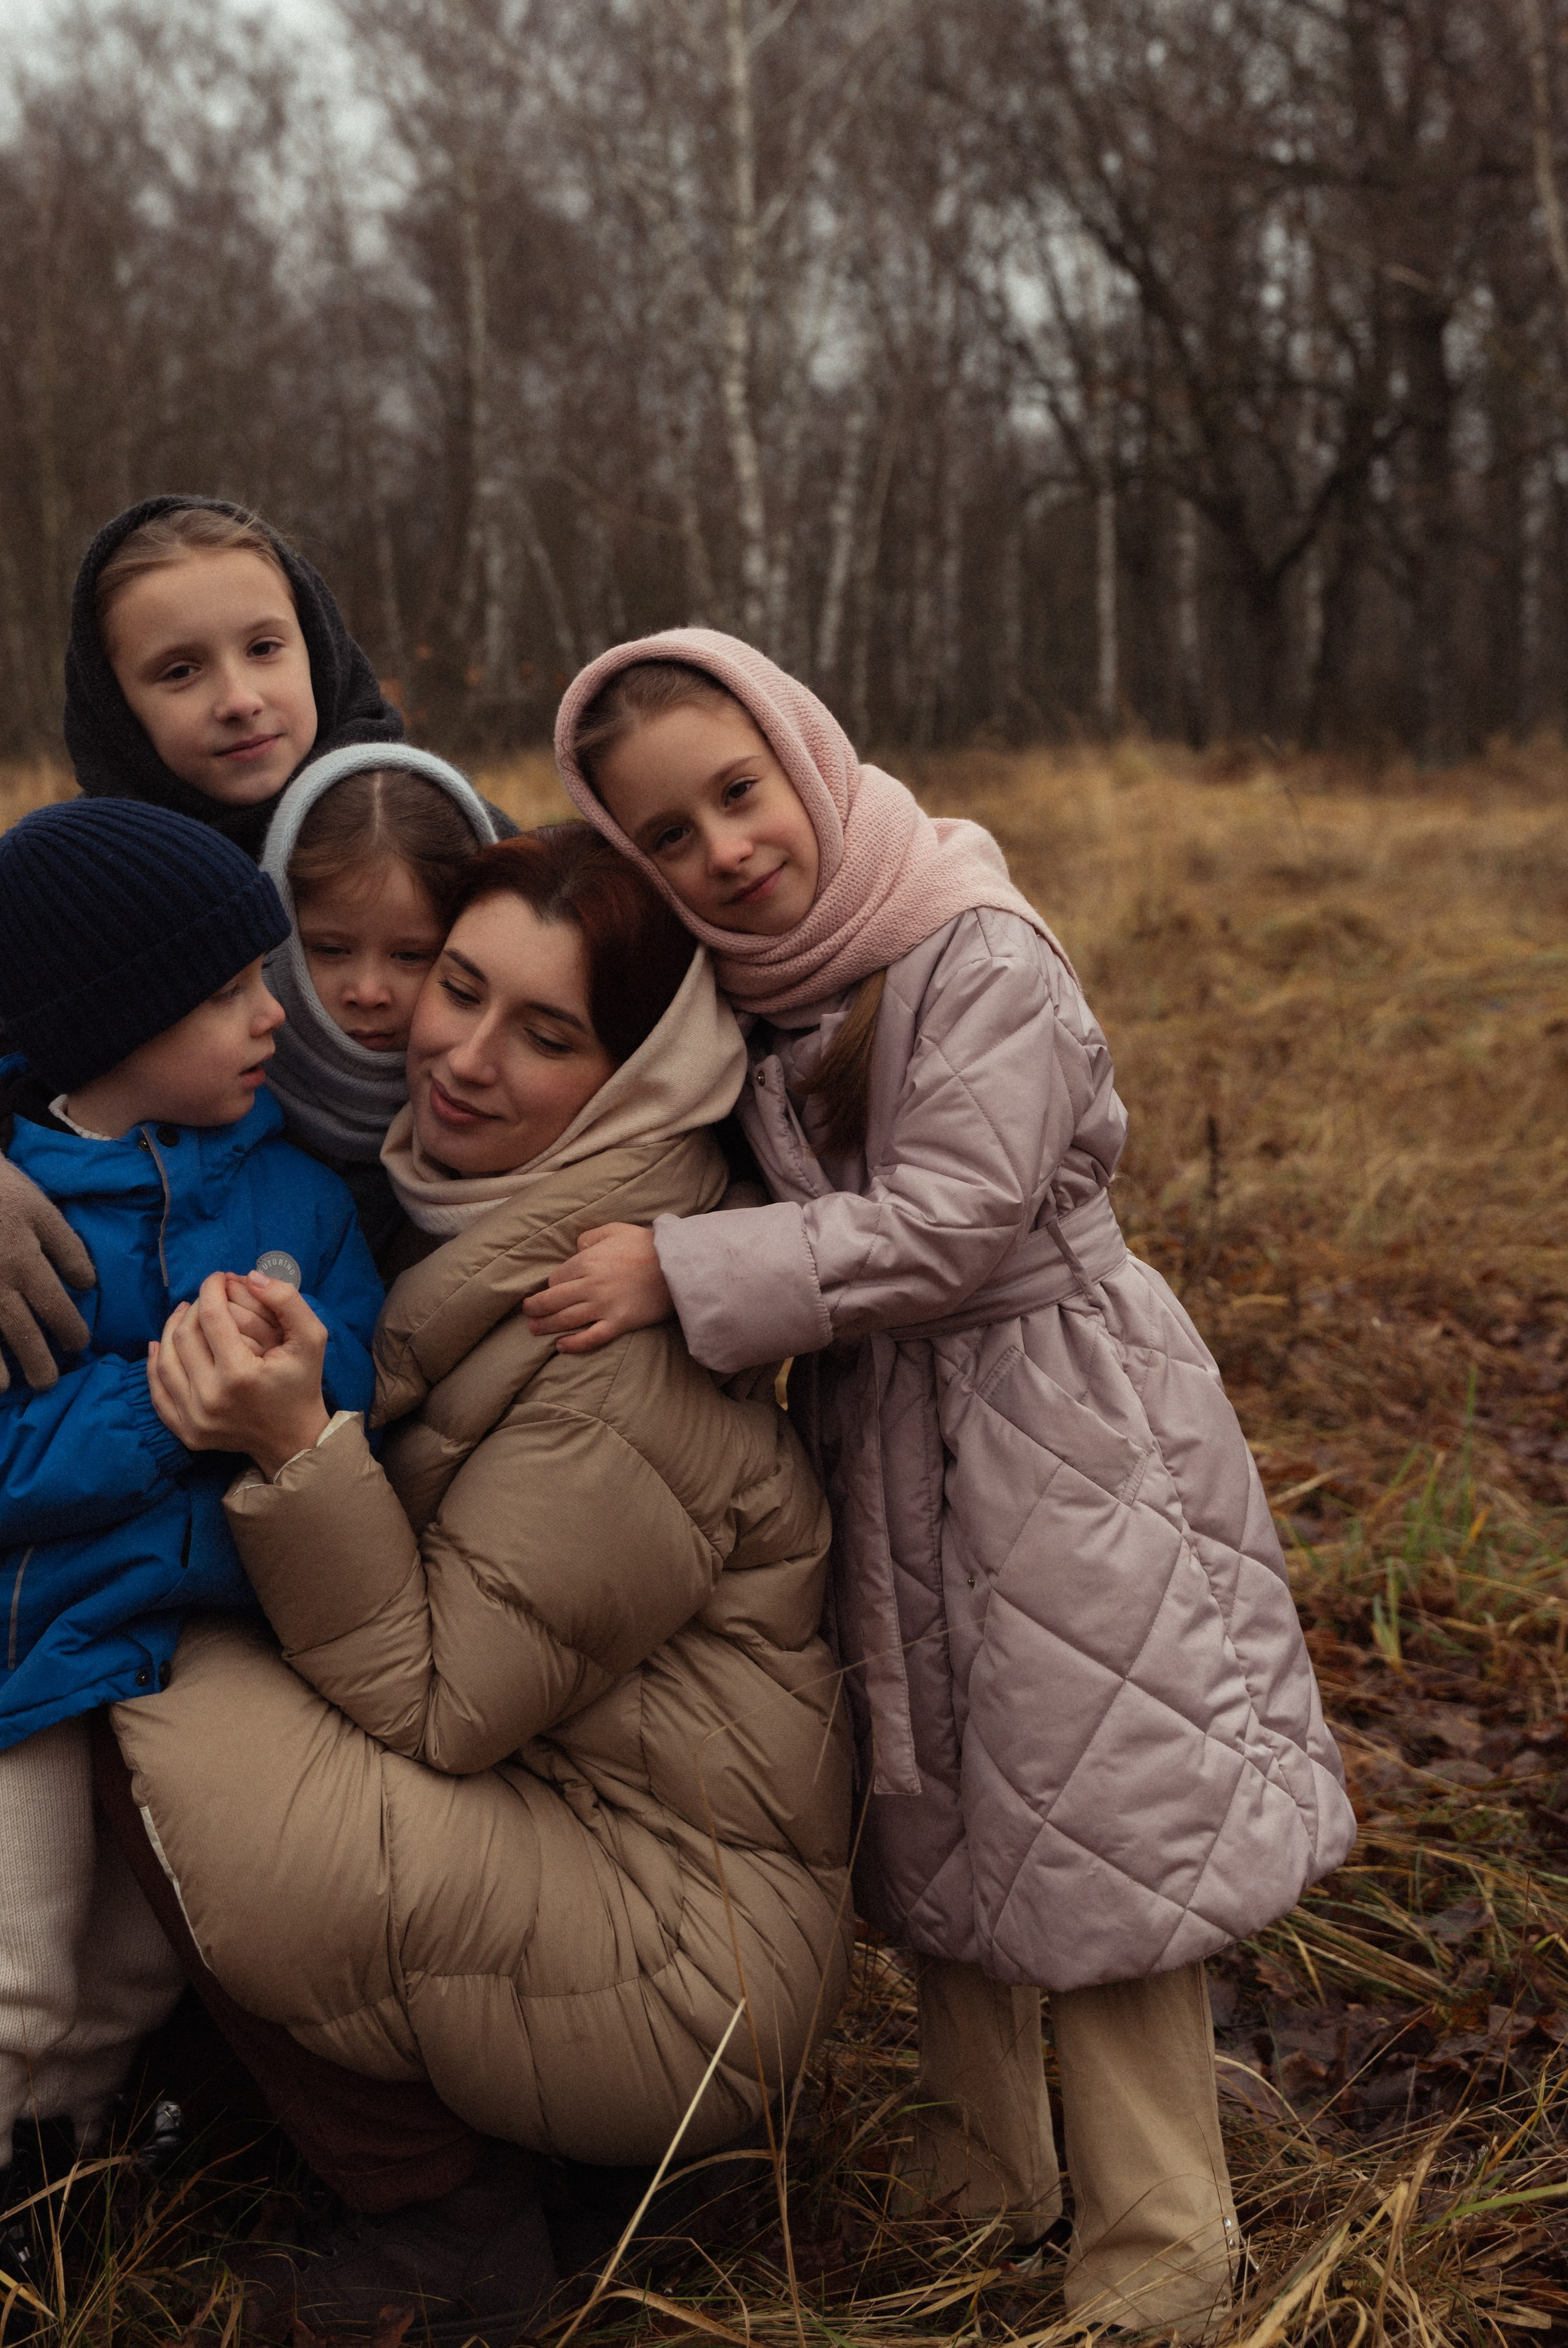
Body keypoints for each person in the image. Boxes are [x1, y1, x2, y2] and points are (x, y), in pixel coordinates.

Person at [544, 633, 1357, 2343]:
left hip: (1056, 1419)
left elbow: (955, 1214)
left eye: (736, 793)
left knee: (1097, 1803)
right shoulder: (760, 987)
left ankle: (1158, 2242)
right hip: (884, 1424)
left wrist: (683, 1270)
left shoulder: (964, 940)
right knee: (935, 1793)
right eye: (665, 838)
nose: (721, 851)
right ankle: (984, 2164)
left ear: (806, 758)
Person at [103, 826, 855, 2348]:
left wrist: (293, 1441)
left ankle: (446, 2223)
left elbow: (443, 1702)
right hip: (564, 1838)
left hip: (676, 1958)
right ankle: (240, 2083)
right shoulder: (481, 1223)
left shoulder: (623, 1339)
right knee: (75, 1654)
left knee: (118, 1679)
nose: (458, 1051)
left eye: (546, 1031)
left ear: (636, 1077)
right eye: (458, 986)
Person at [0, 797, 383, 2348]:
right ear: (112, 1021)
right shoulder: (5, 1217)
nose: (270, 1013)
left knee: (147, 1950)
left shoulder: (286, 1185)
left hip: (204, 1659)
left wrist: (298, 1372)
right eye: (226, 991)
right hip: (27, 1663)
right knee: (3, 1960)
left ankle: (60, 2163)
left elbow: (354, 1360)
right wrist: (165, 1400)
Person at [0, 493, 466, 1393]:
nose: (239, 699)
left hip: (446, 1280)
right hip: (211, 1323)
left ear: (318, 645)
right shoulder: (111, 889)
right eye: (178, 672)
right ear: (116, 706)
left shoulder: (429, 825)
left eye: (264, 647)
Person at [260, 745, 500, 1267]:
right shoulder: (221, 1095)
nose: (368, 993)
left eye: (411, 956)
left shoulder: (505, 1110)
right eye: (330, 949)